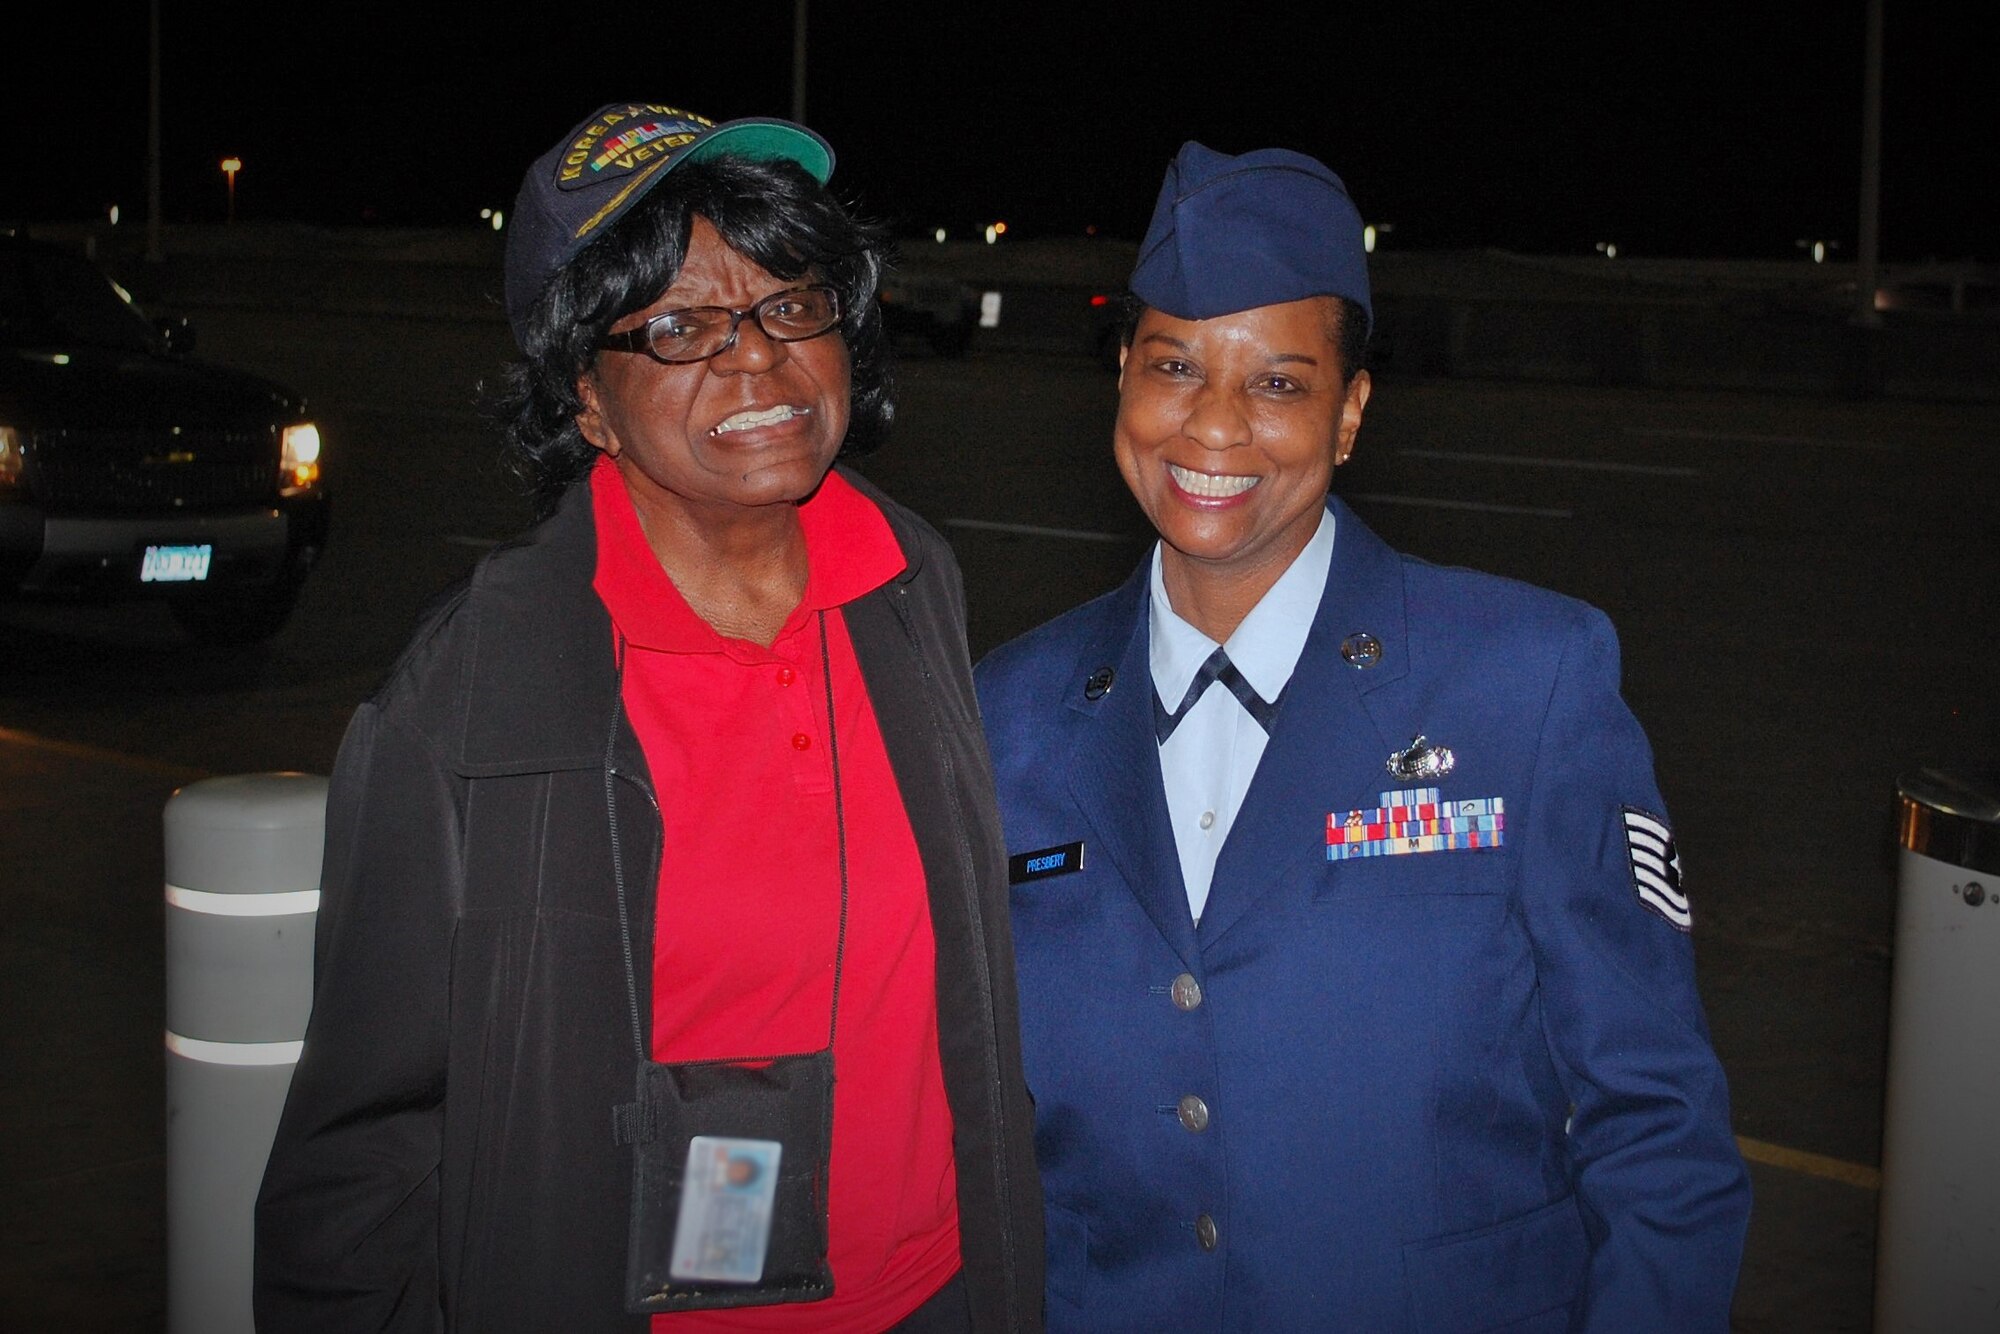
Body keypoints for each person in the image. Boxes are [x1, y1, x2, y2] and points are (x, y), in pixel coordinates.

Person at [255, 100, 1042, 1332]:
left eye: (789, 300)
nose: (758, 357)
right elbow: (366, 1148)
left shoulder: (907, 581)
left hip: (938, 1293)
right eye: (678, 324)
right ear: (585, 395)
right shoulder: (471, 695)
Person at [974, 141, 1751, 1331]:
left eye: (1277, 383)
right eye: (1172, 364)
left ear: (1349, 413)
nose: (1213, 425)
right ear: (1120, 381)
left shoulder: (1525, 679)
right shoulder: (1007, 712)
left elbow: (1654, 1126)